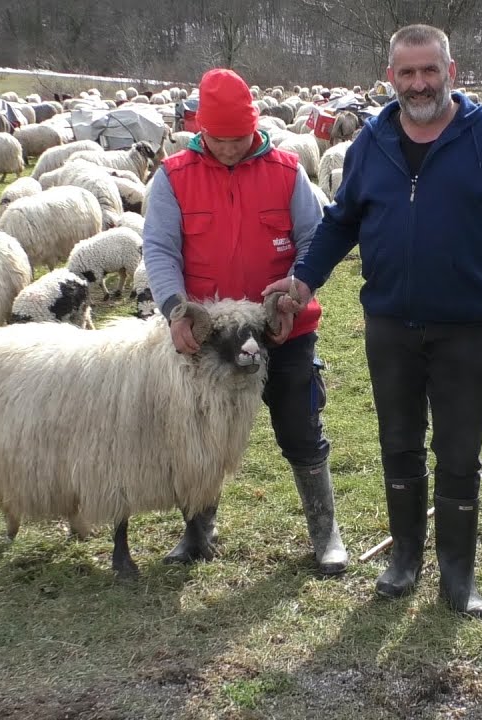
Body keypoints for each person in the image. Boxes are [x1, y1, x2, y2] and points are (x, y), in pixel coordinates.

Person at [265, 24, 482, 619]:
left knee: (460, 451)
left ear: (450, 72)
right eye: (406, 73)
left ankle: (458, 577)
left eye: (428, 71)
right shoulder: (373, 142)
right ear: (391, 77)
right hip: (389, 323)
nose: (418, 84)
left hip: (464, 326)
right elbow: (341, 221)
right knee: (398, 444)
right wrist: (305, 276)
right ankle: (405, 559)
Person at [142, 68, 348, 575]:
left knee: (299, 423)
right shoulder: (174, 176)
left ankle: (326, 534)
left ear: (254, 126)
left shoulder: (285, 170)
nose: (231, 148)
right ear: (201, 129)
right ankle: (197, 530)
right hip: (206, 334)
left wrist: (295, 293)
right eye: (220, 138)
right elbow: (160, 248)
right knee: (198, 430)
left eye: (240, 138)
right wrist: (174, 309)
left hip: (280, 325)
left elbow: (312, 240)